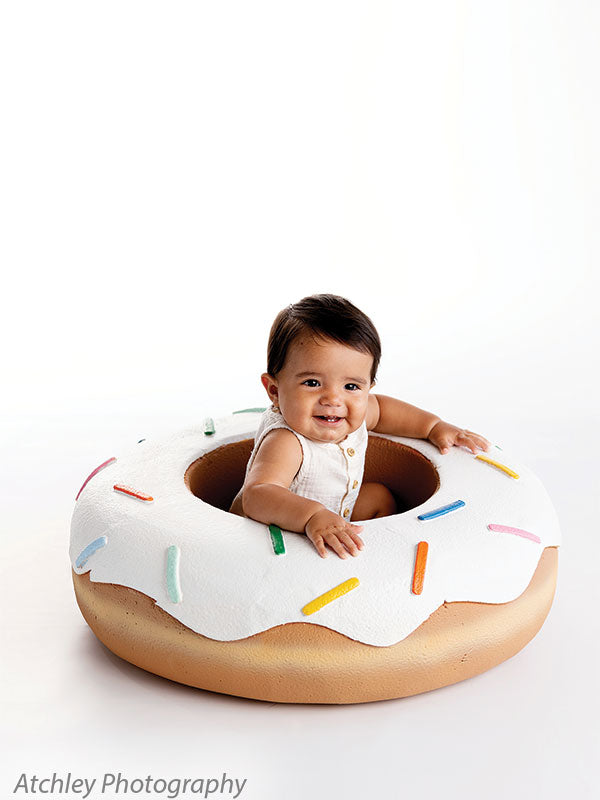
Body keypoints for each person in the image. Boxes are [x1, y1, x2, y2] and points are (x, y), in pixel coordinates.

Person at [229, 294, 490, 560]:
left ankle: (374, 555)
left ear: (366, 389)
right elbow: (258, 495)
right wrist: (312, 516)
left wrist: (434, 427)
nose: (333, 399)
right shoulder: (286, 441)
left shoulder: (351, 411)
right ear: (274, 390)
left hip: (332, 514)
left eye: (351, 387)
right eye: (312, 383)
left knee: (378, 496)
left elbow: (384, 410)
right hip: (280, 534)